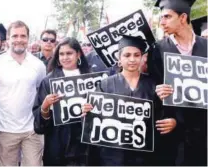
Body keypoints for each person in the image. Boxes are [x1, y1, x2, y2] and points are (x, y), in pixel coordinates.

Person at [83, 35, 177, 166]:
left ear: (142, 57)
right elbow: (93, 122)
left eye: (136, 55)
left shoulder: (155, 85)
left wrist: (172, 121)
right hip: (113, 155)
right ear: (119, 59)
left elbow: (166, 114)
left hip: (146, 156)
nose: (132, 59)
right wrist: (87, 112)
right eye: (127, 55)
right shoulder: (105, 85)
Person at [148, 0, 207, 165]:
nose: (162, 22)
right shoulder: (158, 49)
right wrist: (157, 91)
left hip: (204, 131)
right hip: (173, 133)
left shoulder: (206, 47)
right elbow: (151, 86)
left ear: (183, 18)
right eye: (161, 17)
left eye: (167, 17)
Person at [0, 20, 46, 166]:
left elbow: (39, 91)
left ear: (28, 38)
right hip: (4, 128)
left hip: (32, 129)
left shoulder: (38, 65)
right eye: (15, 36)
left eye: (23, 36)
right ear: (8, 38)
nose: (19, 40)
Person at [33, 37, 90, 165]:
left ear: (78, 54)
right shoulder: (48, 81)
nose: (65, 57)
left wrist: (91, 109)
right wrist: (45, 106)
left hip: (84, 146)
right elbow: (39, 125)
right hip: (58, 145)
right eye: (61, 54)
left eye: (69, 53)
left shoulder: (91, 78)